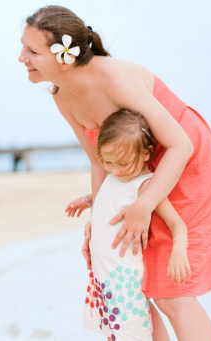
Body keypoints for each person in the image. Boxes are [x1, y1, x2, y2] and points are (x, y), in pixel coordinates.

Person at [19, 5, 211, 341]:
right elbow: (99, 161)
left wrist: (144, 205)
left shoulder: (116, 80)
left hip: (186, 167)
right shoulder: (62, 96)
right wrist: (99, 220)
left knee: (171, 293)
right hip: (133, 175)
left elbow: (181, 146)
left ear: (64, 56)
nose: (21, 58)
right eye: (23, 48)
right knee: (134, 286)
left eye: (32, 51)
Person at [77, 109, 191, 341]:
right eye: (108, 162)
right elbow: (113, 196)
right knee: (115, 334)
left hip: (124, 282)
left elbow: (176, 223)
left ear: (146, 153)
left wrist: (179, 251)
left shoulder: (146, 186)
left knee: (131, 334)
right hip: (104, 280)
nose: (115, 170)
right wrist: (89, 200)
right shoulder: (116, 176)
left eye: (123, 163)